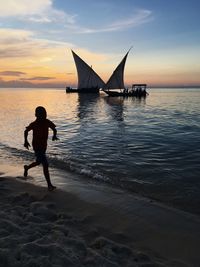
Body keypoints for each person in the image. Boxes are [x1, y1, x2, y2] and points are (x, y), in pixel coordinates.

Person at [24, 106, 58, 191]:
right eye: (41, 115)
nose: (44, 116)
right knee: (45, 164)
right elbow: (26, 131)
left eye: (45, 114)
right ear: (36, 115)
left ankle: (27, 168)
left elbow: (54, 129)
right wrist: (25, 141)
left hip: (43, 146)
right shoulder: (34, 124)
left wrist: (54, 135)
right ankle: (49, 185)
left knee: (38, 162)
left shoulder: (47, 122)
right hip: (36, 146)